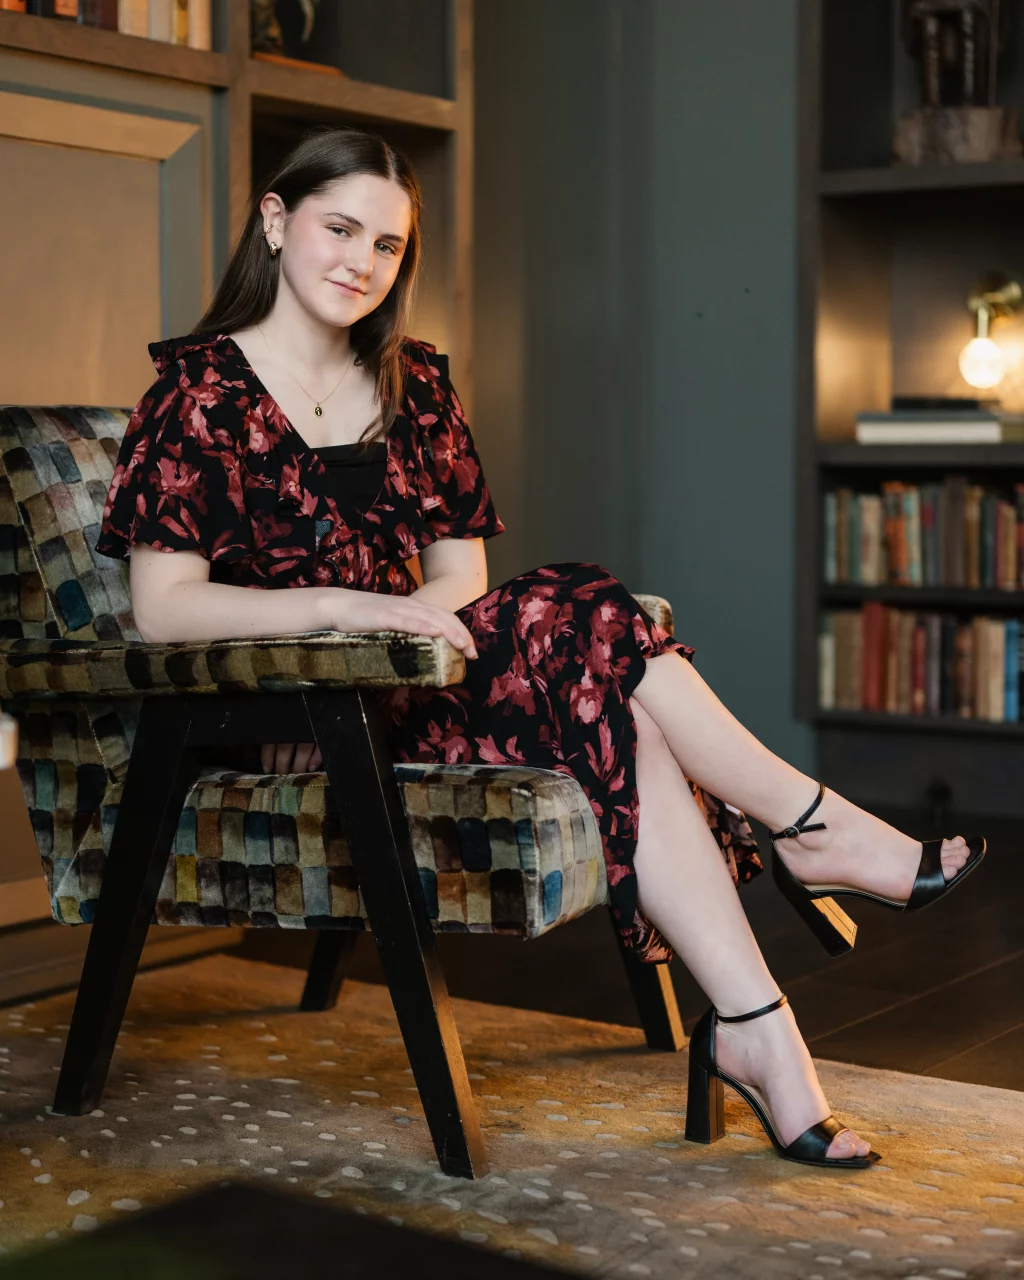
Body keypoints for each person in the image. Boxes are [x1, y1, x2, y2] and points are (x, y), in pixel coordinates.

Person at [96, 126, 986, 1171]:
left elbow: (459, 577)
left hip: (420, 684)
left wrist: (412, 622)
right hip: (296, 712)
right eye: (340, 228)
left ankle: (757, 1016)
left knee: (604, 675)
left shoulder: (412, 381)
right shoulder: (197, 392)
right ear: (277, 219)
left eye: (388, 246)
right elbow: (165, 606)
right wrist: (359, 615)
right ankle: (805, 830)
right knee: (590, 618)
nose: (361, 262)